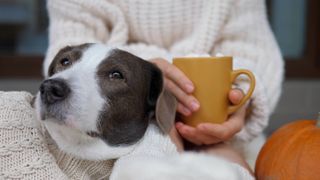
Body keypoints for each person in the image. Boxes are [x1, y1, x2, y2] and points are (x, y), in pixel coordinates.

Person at [44, 0, 283, 174]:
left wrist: (239, 98)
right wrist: (147, 78)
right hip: (124, 121)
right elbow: (72, 46)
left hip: (219, 133)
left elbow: (257, 58)